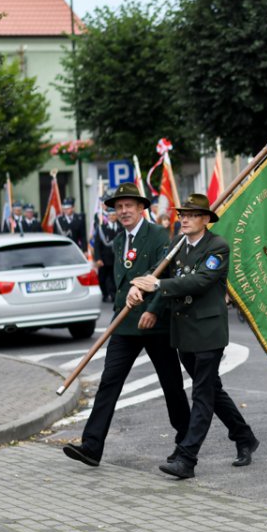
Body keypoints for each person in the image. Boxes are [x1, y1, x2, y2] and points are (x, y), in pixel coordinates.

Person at [130, 193, 259, 480]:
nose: (184, 219)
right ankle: (244, 435)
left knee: (201, 394)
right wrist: (141, 288)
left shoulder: (218, 247)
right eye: (182, 215)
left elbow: (199, 281)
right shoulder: (178, 246)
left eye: (190, 215)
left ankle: (187, 458)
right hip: (184, 332)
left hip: (208, 332)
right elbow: (158, 271)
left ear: (205, 219)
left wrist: (157, 285)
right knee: (211, 389)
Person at [63, 182, 190, 469]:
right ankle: (92, 446)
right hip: (125, 323)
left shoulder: (158, 234)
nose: (123, 211)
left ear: (141, 207)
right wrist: (119, 312)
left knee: (171, 384)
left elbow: (164, 274)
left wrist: (154, 310)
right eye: (119, 207)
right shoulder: (120, 240)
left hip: (154, 324)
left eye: (128, 206)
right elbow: (123, 284)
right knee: (109, 383)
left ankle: (186, 443)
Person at [94, 207, 121, 303]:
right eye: (110, 215)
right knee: (102, 278)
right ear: (107, 216)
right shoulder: (102, 228)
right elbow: (97, 245)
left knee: (114, 277)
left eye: (114, 215)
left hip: (116, 258)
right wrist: (98, 258)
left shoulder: (121, 228)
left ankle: (113, 295)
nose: (112, 217)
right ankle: (105, 294)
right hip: (104, 258)